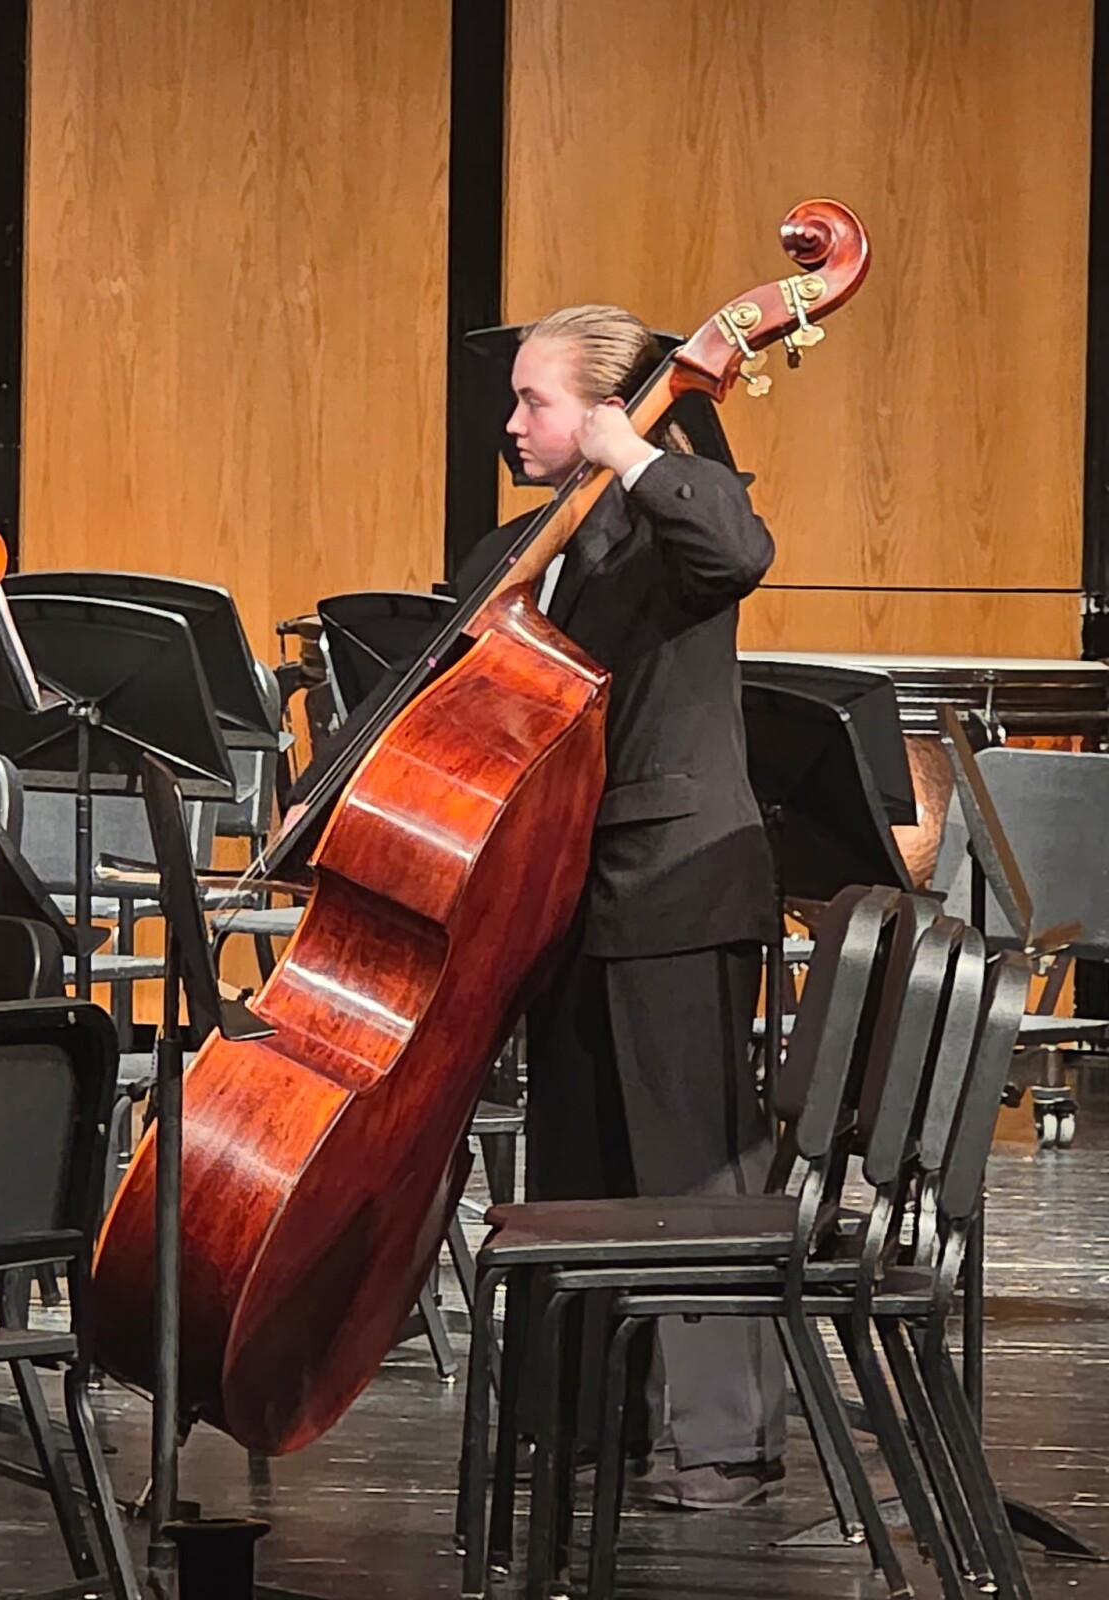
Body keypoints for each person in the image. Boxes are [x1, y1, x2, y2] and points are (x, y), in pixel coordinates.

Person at [453, 304, 786, 1510]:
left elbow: (739, 553)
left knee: (694, 1173)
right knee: (576, 1166)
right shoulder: (514, 551)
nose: (511, 422)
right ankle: (582, 1425)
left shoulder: (675, 511)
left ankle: (726, 1446)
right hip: (557, 889)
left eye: (533, 401)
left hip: (676, 881)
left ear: (601, 410)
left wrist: (634, 451)